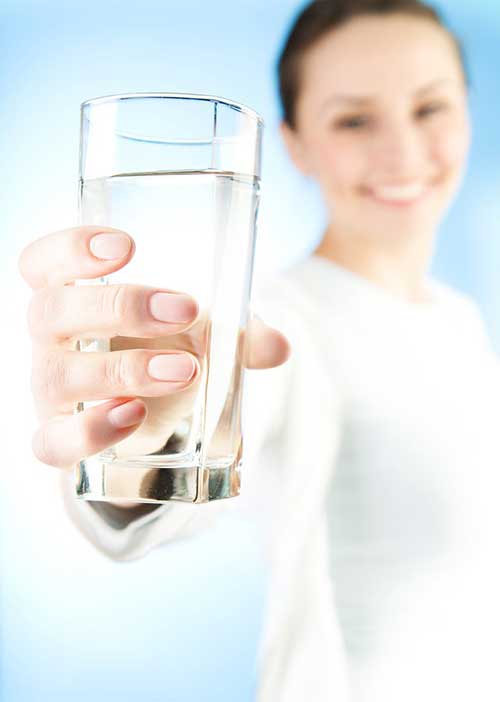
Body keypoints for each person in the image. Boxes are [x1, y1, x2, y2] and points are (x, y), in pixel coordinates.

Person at [18, 0, 500, 700]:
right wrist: (151, 426)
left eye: (430, 108)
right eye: (354, 119)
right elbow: (220, 418)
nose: (402, 151)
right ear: (295, 144)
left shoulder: (462, 322)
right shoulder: (277, 323)